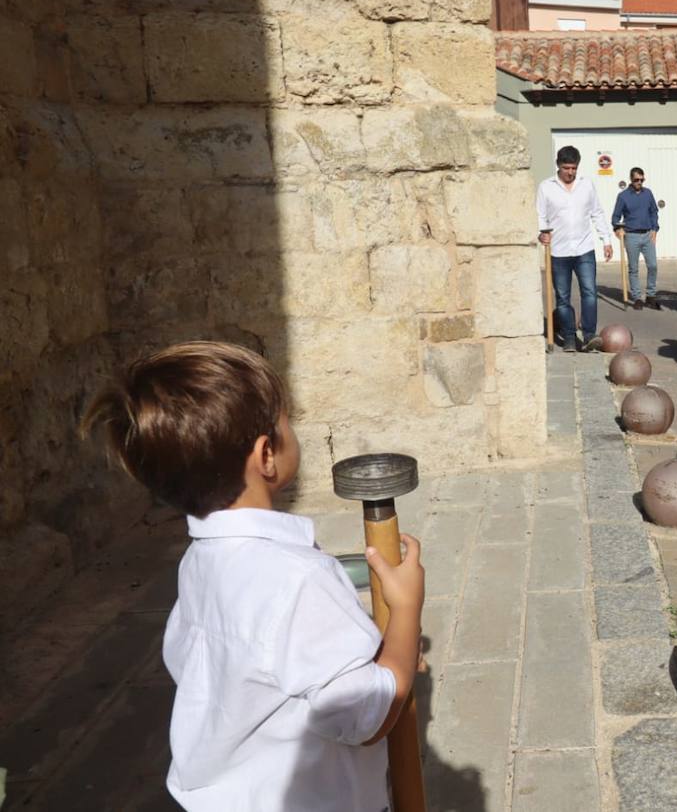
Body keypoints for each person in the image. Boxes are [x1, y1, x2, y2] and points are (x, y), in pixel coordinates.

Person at [80, 341, 425, 810]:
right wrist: (405, 614)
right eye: (287, 421)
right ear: (266, 455)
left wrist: (385, 657)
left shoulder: (200, 563)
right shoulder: (297, 578)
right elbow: (368, 715)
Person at [537, 145, 614, 351]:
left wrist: (606, 240)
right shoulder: (546, 187)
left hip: (584, 249)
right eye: (566, 168)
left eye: (574, 168)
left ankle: (589, 336)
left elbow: (597, 212)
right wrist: (541, 232)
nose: (570, 172)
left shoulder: (586, 185)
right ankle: (569, 337)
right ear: (558, 166)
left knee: (589, 292)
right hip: (558, 251)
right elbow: (540, 216)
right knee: (562, 297)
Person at [612, 166, 661, 310]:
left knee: (653, 265)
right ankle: (637, 297)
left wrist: (654, 228)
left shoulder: (648, 193)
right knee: (633, 268)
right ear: (631, 180)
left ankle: (651, 296)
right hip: (631, 235)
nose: (639, 182)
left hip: (647, 234)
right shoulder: (623, 196)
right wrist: (617, 228)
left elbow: (654, 212)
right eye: (636, 180)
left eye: (642, 179)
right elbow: (615, 216)